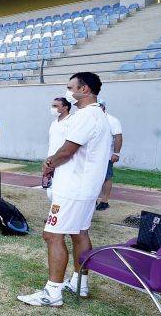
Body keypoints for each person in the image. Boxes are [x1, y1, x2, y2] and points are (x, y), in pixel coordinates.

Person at [18, 72, 111, 307]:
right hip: (85, 187)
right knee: (79, 233)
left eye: (71, 87)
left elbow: (67, 151)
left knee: (52, 235)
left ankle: (53, 293)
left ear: (85, 89)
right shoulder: (98, 115)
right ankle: (80, 283)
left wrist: (49, 164)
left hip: (73, 188)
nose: (68, 91)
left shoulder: (87, 116)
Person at [96, 100, 123, 211]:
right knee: (93, 178)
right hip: (92, 156)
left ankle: (104, 201)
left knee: (106, 177)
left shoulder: (112, 120)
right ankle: (92, 199)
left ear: (103, 107)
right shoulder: (91, 119)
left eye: (99, 106)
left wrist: (116, 153)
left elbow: (118, 137)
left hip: (106, 156)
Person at [46, 97, 72, 200]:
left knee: (63, 190)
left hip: (64, 161)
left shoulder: (71, 121)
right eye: (52, 106)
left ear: (65, 107)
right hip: (51, 160)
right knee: (51, 191)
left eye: (56, 106)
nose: (53, 108)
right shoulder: (54, 123)